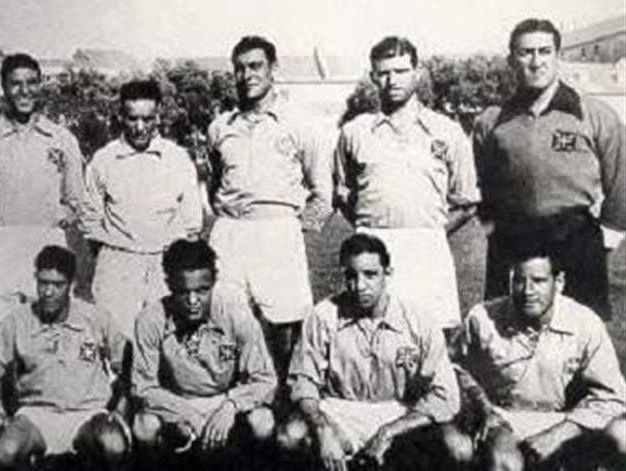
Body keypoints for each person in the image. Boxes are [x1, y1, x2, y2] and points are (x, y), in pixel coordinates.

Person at [473, 18, 626, 319]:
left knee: (580, 334)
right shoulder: (492, 121)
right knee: (506, 333)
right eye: (525, 52)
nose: (535, 62)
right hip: (512, 238)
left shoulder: (594, 114)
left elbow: (621, 179)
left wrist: (606, 239)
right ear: (511, 60)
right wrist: (492, 229)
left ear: (558, 56)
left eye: (544, 51)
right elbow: (480, 183)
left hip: (575, 238)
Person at [278, 234, 465, 471]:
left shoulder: (420, 321)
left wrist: (389, 431)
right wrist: (322, 428)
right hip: (340, 411)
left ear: (388, 273)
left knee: (453, 446)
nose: (360, 286)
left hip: (399, 412)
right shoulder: (323, 316)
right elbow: (303, 384)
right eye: (351, 276)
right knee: (290, 436)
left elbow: (444, 395)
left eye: (370, 274)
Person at [207, 35, 332, 389]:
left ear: (274, 69)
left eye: (256, 66)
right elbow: (215, 183)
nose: (247, 75)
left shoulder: (300, 124)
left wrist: (292, 229)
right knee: (225, 318)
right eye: (240, 68)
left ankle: (281, 402)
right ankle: (234, 402)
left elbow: (324, 192)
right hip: (231, 231)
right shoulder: (220, 127)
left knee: (285, 323)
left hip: (278, 231)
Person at [334, 36, 480, 332]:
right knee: (370, 334)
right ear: (373, 75)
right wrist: (367, 229)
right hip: (372, 248)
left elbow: (467, 203)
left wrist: (431, 232)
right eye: (384, 72)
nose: (392, 80)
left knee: (433, 339)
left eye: (400, 71)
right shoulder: (355, 132)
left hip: (427, 247)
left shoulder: (447, 131)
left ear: (417, 71)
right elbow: (343, 194)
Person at [457, 244, 626, 471]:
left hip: (566, 419)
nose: (527, 291)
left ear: (559, 283)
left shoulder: (585, 323)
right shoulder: (482, 318)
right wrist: (483, 408)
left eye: (538, 281)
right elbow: (455, 370)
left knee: (623, 435)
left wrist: (560, 433)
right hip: (505, 418)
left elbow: (613, 396)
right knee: (504, 461)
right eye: (518, 280)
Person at [131, 239, 277, 467]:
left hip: (224, 401)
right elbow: (143, 386)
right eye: (183, 292)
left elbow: (265, 379)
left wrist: (230, 406)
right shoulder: (151, 319)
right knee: (143, 426)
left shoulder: (237, 316)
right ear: (169, 285)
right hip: (176, 403)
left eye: (201, 291)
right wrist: (185, 413)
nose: (192, 301)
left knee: (263, 421)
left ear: (213, 283)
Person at [81, 79, 203, 339]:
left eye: (147, 119)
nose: (139, 127)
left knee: (166, 341)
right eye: (132, 118)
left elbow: (192, 224)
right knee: (116, 343)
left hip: (165, 263)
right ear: (120, 116)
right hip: (118, 264)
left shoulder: (177, 158)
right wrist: (116, 254)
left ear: (158, 115)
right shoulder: (103, 160)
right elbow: (90, 223)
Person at [0, 53, 88, 325]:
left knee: (48, 331)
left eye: (31, 83)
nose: (24, 91)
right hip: (0, 243)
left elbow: (76, 199)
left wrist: (61, 216)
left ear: (41, 85)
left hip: (46, 242)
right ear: (4, 87)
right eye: (16, 84)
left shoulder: (62, 138)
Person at [0, 245, 129, 470]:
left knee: (113, 444)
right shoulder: (18, 320)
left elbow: (128, 365)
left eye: (57, 285)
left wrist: (121, 410)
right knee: (6, 450)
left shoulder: (95, 317)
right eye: (43, 283)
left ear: (72, 285)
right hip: (37, 414)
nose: (48, 292)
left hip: (88, 413)